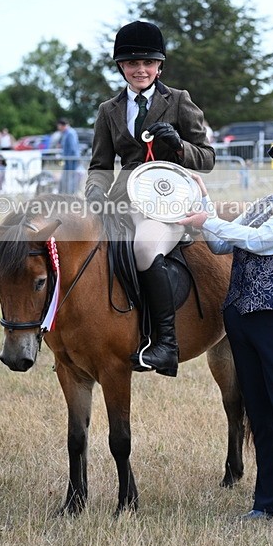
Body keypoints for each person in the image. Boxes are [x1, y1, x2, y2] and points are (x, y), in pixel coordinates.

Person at [180, 117, 273, 527]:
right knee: (260, 414)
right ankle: (269, 503)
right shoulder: (267, 202)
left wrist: (207, 221)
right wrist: (204, 204)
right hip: (244, 316)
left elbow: (261, 241)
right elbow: (221, 242)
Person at [85, 20, 215, 378]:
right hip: (123, 201)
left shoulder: (179, 101)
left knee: (144, 247)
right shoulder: (108, 110)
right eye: (131, 63)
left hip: (169, 201)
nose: (140, 69)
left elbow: (207, 158)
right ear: (121, 67)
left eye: (148, 63)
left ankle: (165, 345)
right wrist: (95, 195)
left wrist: (177, 144)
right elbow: (99, 165)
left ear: (159, 66)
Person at [56, 118, 82, 194]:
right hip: (69, 160)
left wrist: (68, 158)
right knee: (68, 178)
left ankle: (71, 195)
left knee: (71, 178)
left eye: (59, 126)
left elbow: (72, 148)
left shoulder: (70, 133)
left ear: (62, 125)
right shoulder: (67, 133)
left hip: (71, 160)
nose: (58, 128)